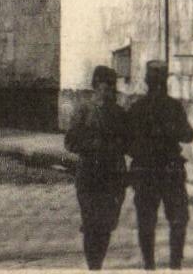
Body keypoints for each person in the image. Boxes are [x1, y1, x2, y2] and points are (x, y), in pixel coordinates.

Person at [64, 65, 135, 270]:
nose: (111, 91)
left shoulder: (120, 113)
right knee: (91, 225)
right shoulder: (84, 111)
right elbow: (70, 142)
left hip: (114, 176)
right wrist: (95, 144)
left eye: (113, 86)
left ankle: (98, 264)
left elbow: (130, 144)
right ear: (96, 86)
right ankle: (93, 266)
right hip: (89, 175)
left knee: (106, 226)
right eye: (106, 86)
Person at [126, 61, 193, 272]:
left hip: (147, 170)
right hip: (168, 169)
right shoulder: (173, 107)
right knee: (177, 218)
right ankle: (173, 264)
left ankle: (151, 264)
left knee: (148, 220)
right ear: (165, 81)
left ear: (146, 81)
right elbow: (188, 135)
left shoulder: (137, 108)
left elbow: (126, 143)